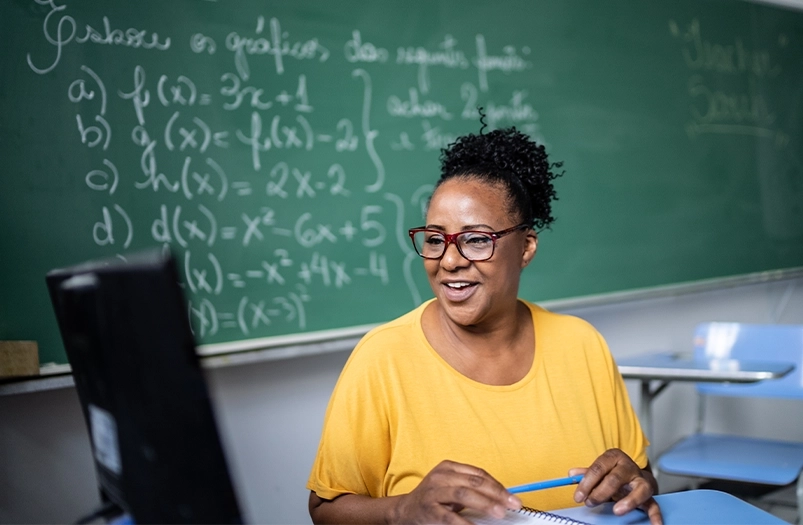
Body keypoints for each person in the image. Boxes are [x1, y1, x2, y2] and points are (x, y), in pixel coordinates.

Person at [306, 124, 662, 525]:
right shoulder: (382, 359)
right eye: (435, 239)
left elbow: (639, 478)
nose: (450, 260)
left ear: (525, 247)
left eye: (476, 239)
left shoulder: (582, 344)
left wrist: (635, 481)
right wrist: (401, 508)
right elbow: (324, 511)